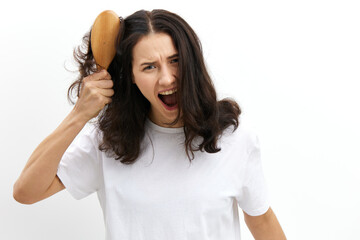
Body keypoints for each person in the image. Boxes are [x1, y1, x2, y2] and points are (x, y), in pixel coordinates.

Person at [13, 9, 286, 240]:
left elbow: (261, 219)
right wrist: (79, 115)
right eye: (149, 67)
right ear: (130, 75)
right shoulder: (107, 140)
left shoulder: (234, 138)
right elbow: (26, 191)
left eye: (175, 61)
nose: (167, 78)